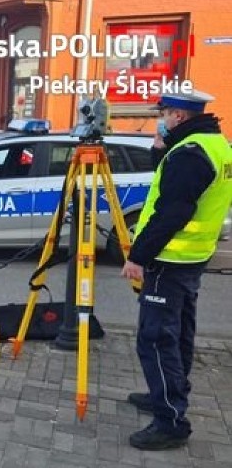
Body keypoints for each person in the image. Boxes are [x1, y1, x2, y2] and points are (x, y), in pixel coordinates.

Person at [121, 89, 232, 450]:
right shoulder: (214, 145)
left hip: (170, 259)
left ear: (179, 117)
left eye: (166, 112)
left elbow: (173, 211)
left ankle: (170, 420)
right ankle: (168, 394)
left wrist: (138, 255)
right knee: (180, 331)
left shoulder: (191, 154)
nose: (162, 118)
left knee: (155, 339)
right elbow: (172, 186)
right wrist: (158, 148)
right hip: (190, 258)